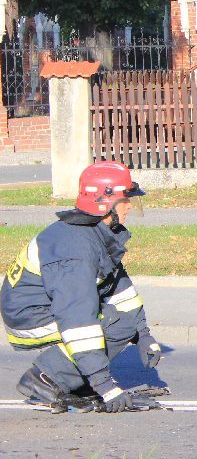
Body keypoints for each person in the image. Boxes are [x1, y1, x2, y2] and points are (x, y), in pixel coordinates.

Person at [2, 162, 161, 412]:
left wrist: (143, 335)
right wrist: (104, 386)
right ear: (105, 202)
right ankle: (45, 378)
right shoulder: (75, 250)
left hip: (49, 307)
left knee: (123, 322)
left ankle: (74, 376)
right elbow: (78, 322)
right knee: (113, 325)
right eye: (125, 199)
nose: (130, 205)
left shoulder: (96, 233)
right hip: (29, 319)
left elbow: (119, 287)